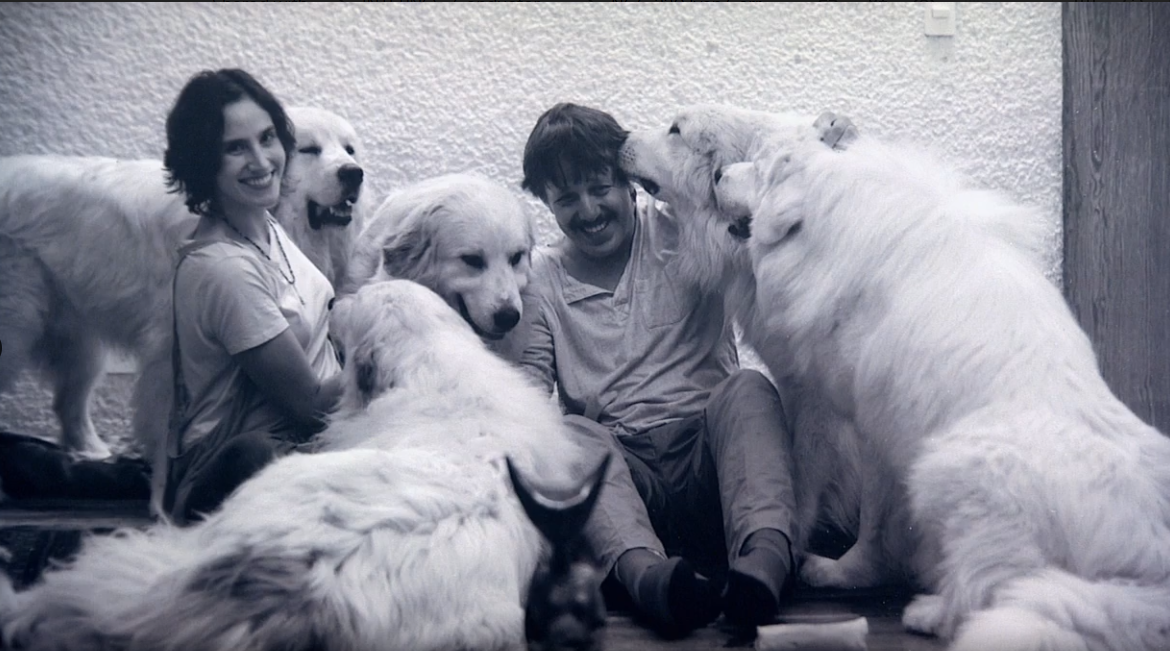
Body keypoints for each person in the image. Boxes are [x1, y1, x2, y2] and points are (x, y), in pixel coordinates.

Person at [503, 102, 804, 638]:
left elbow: (767, 192)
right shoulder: (541, 279)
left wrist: (829, 145)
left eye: (600, 187)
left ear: (632, 182)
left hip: (711, 458)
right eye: (567, 198)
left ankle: (763, 566)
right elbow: (526, 392)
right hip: (627, 480)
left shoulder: (684, 230)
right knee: (567, 431)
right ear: (545, 202)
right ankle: (652, 582)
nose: (589, 209)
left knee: (750, 388)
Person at [160, 68, 344, 525]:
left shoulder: (264, 224)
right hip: (236, 480)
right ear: (204, 162)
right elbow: (308, 407)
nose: (262, 161)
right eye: (235, 148)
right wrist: (387, 344)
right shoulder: (225, 269)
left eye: (267, 138)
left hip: (302, 454)